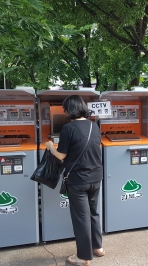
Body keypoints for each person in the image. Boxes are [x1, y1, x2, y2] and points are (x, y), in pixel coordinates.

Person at [45, 95, 104, 266]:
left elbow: (61, 155)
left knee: (81, 218)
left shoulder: (68, 128)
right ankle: (98, 247)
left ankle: (84, 257)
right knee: (93, 212)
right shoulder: (94, 126)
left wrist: (50, 147)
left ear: (69, 110)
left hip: (78, 179)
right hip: (96, 177)